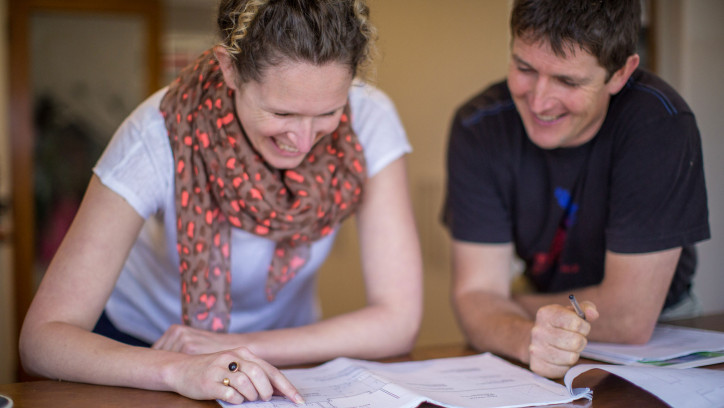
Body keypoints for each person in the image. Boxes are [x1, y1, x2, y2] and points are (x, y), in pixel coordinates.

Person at [20, 0, 423, 404]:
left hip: (287, 349)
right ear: (230, 70)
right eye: (281, 112)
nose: (302, 141)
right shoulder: (155, 136)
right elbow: (42, 338)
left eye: (328, 113)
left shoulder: (370, 120)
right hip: (146, 349)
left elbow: (398, 321)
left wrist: (234, 347)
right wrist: (181, 368)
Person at [443, 0, 709, 379]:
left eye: (567, 81)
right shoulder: (478, 128)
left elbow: (631, 318)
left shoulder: (659, 123)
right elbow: (475, 299)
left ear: (620, 74)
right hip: (536, 333)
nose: (539, 101)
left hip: (663, 329)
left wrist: (502, 307)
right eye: (524, 68)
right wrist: (525, 335)